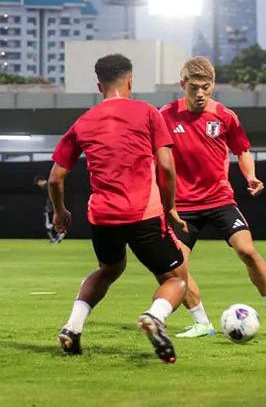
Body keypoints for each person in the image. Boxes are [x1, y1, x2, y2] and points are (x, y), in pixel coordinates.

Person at [49, 53, 188, 363]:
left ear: (100, 86)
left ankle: (72, 328)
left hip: (102, 217)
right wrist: (171, 207)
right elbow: (166, 167)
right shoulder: (148, 113)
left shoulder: (83, 122)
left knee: (109, 269)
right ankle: (155, 316)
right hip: (144, 214)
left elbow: (56, 179)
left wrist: (59, 211)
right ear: (130, 81)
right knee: (176, 279)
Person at [160, 57, 266, 339]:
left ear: (213, 85)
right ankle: (201, 322)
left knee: (248, 251)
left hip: (220, 199)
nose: (200, 94)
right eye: (194, 87)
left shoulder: (225, 116)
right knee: (175, 268)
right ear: (182, 84)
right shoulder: (165, 116)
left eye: (205, 88)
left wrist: (250, 176)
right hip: (183, 206)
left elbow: (242, 150)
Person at [34, 175, 64, 243]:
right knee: (52, 223)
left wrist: (50, 207)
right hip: (54, 207)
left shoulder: (48, 186)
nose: (38, 185)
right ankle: (58, 235)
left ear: (40, 181)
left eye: (38, 183)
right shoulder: (48, 186)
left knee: (48, 225)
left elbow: (53, 197)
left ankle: (56, 237)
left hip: (52, 208)